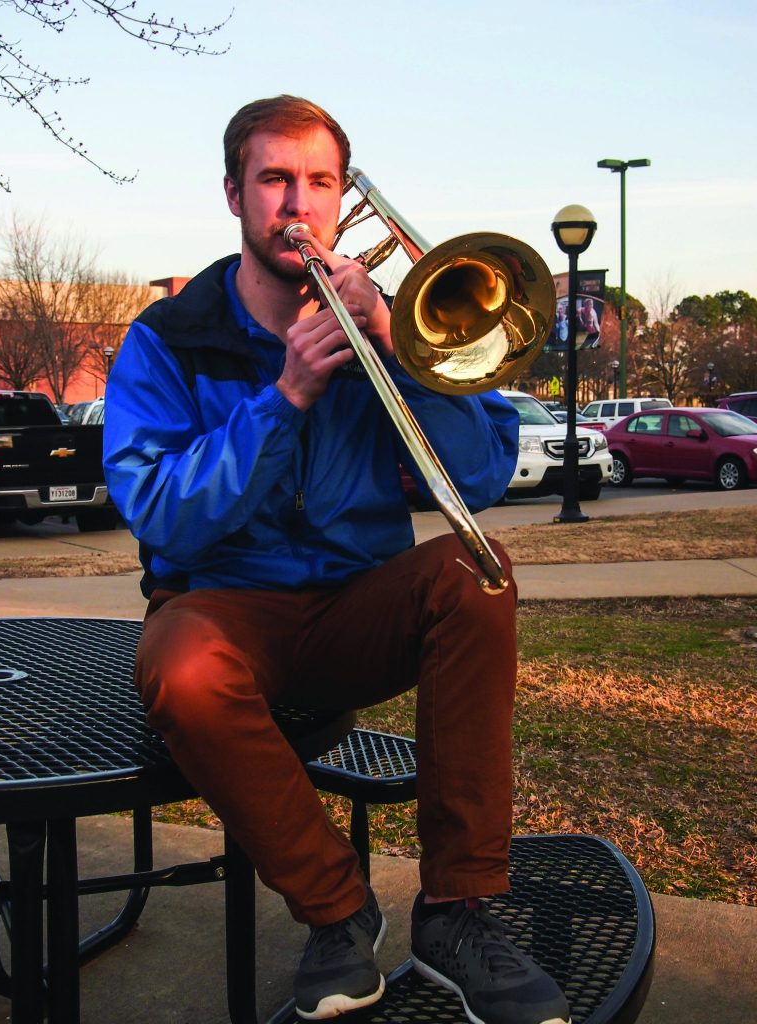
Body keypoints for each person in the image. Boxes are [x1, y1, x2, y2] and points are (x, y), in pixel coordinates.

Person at [103, 94, 570, 1024]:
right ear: (233, 193)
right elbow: (160, 515)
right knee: (180, 664)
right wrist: (285, 397)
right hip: (229, 610)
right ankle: (335, 912)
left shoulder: (387, 326)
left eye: (321, 182)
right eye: (274, 179)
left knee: (478, 570)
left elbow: (476, 475)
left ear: (343, 199)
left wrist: (397, 347)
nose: (298, 204)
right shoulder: (170, 337)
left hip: (359, 603)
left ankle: (457, 912)